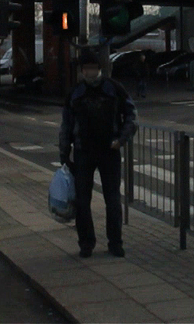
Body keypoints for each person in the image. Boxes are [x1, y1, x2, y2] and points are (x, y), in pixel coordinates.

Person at [59, 48, 137, 258]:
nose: (90, 72)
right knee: (82, 202)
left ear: (100, 69)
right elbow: (66, 125)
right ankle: (86, 243)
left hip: (109, 151)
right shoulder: (75, 93)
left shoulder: (114, 88)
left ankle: (115, 242)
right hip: (83, 152)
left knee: (112, 200)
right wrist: (64, 153)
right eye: (87, 69)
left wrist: (121, 140)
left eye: (93, 68)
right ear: (82, 70)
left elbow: (132, 116)